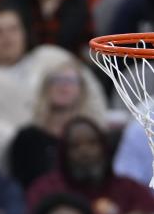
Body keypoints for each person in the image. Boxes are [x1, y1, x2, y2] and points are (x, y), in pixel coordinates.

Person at [0, 6, 105, 168]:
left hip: (56, 152)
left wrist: (95, 129)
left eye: (13, 29)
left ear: (25, 32)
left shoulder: (49, 57)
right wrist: (15, 138)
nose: (6, 37)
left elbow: (89, 89)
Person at [26, 116, 154, 214]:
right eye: (75, 146)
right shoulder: (45, 189)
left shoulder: (131, 189)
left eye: (92, 143)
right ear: (64, 152)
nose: (85, 151)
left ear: (104, 147)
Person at [8, 59, 107, 189]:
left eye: (70, 80)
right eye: (56, 80)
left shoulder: (94, 135)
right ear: (46, 88)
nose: (63, 85)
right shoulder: (27, 138)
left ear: (81, 90)